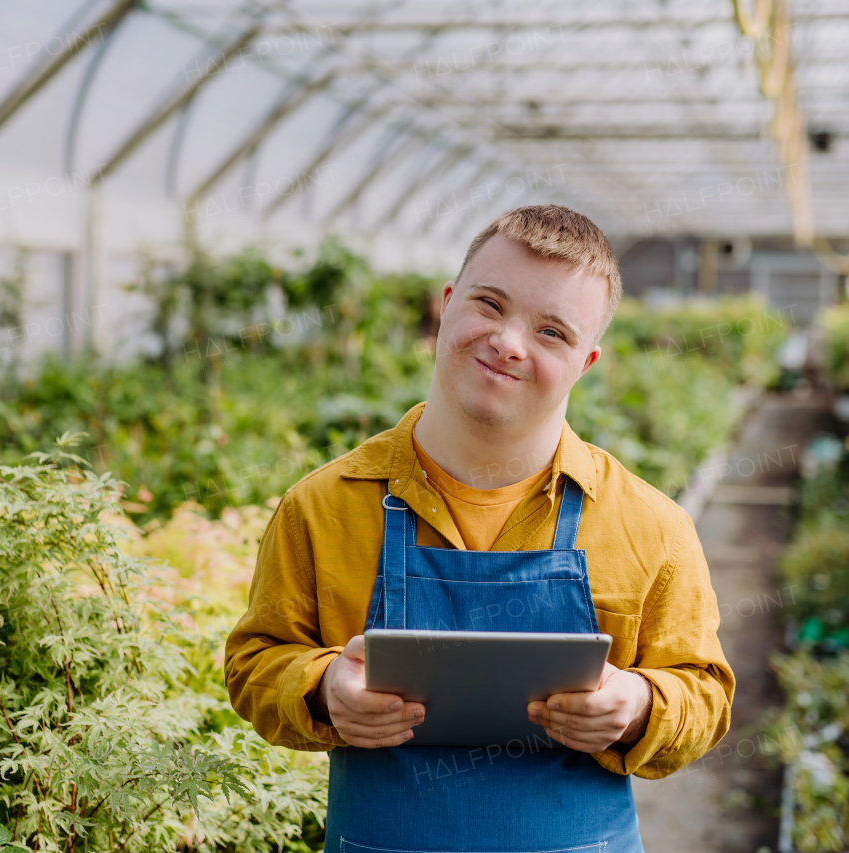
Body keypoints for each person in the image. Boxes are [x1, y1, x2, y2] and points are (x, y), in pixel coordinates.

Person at [224, 204, 735, 853]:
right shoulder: (323, 507)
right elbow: (255, 661)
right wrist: (323, 689)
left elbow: (705, 693)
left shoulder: (649, 526)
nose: (509, 341)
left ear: (586, 361)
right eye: (489, 304)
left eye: (552, 332)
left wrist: (637, 701)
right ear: (446, 304)